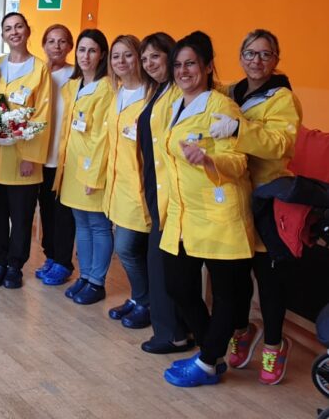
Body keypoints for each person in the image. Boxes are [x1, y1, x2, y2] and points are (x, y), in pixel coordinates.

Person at [159, 31, 254, 388]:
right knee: (178, 286)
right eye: (178, 65)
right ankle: (212, 353)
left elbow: (239, 162)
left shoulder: (221, 107)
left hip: (218, 213)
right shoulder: (176, 105)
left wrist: (209, 159)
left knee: (226, 293)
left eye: (191, 64)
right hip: (184, 213)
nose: (183, 71)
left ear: (208, 67)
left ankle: (208, 360)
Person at [214, 29, 301, 384]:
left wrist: (239, 129)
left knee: (268, 281)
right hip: (233, 195)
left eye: (266, 54)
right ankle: (242, 329)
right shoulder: (230, 92)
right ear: (240, 56)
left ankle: (275, 344)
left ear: (276, 59)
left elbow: (281, 144)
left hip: (266, 199)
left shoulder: (282, 98)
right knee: (235, 278)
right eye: (250, 53)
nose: (257, 61)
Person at [136, 32, 197, 354]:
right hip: (156, 185)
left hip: (171, 190)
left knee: (163, 262)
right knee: (164, 261)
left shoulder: (178, 93)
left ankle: (172, 333)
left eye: (155, 57)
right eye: (144, 59)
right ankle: (180, 328)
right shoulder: (159, 90)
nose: (149, 64)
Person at [0, 12, 51, 289]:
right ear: (2, 35)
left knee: (21, 218)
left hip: (23, 159)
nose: (14, 32)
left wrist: (30, 157)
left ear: (28, 31)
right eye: (8, 28)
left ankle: (14, 266)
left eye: (19, 27)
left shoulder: (40, 69)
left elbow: (42, 115)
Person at [55, 28, 113, 305]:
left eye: (92, 50)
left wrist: (94, 175)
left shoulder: (107, 88)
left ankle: (97, 281)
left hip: (93, 167)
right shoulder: (74, 84)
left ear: (102, 55)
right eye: (81, 50)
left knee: (98, 225)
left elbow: (104, 137)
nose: (85, 56)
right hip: (72, 165)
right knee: (81, 223)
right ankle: (85, 275)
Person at [102, 35, 152, 329]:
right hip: (117, 185)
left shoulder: (151, 96)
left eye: (128, 55)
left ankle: (147, 302)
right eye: (116, 56)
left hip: (139, 188)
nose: (121, 61)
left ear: (139, 58)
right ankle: (138, 298)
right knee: (128, 249)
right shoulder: (118, 93)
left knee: (127, 249)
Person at [36, 23, 77, 287]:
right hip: (41, 155)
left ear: (70, 46)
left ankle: (63, 261)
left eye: (62, 41)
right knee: (47, 210)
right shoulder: (38, 73)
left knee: (64, 213)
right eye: (51, 41)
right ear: (44, 45)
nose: (56, 46)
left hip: (66, 157)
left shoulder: (76, 75)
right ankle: (50, 256)